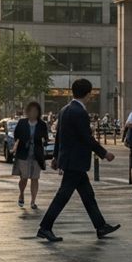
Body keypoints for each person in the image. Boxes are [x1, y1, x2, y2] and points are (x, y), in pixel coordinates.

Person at [37, 79, 120, 242]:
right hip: (76, 162)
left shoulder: (64, 109)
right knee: (63, 196)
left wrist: (55, 156)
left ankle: (100, 226)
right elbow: (86, 138)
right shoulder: (80, 112)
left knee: (88, 195)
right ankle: (45, 227)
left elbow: (59, 136)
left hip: (70, 160)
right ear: (88, 94)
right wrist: (104, 153)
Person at [9, 100, 49, 209]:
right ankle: (21, 194)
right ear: (27, 112)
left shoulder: (42, 124)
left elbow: (46, 138)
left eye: (35, 111)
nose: (33, 113)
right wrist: (18, 144)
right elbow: (16, 135)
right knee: (24, 177)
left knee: (35, 178)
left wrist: (44, 141)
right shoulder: (22, 123)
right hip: (23, 153)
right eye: (31, 111)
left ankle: (33, 201)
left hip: (37, 154)